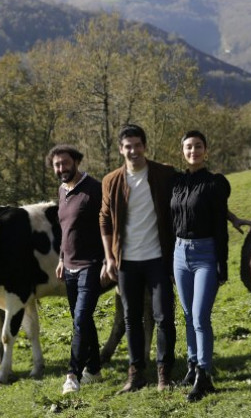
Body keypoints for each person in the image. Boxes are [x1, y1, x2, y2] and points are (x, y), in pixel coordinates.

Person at [99, 124, 177, 394]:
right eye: (127, 146)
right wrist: (109, 258)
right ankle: (136, 375)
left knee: (164, 316)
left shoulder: (164, 174)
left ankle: (164, 375)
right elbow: (105, 221)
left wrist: (229, 216)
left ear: (145, 145)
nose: (133, 151)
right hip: (126, 262)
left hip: (158, 259)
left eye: (137, 145)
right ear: (121, 149)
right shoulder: (112, 180)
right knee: (131, 318)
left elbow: (191, 196)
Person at [170, 130, 230, 401]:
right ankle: (192, 365)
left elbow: (220, 224)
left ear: (206, 150)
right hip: (179, 254)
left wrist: (222, 263)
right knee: (186, 315)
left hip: (206, 253)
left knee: (199, 317)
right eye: (188, 147)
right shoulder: (176, 182)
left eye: (198, 146)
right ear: (182, 151)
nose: (193, 151)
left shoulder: (215, 183)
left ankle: (204, 375)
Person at [46, 144, 105, 395]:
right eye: (57, 165)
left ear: (76, 162)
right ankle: (94, 368)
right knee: (82, 320)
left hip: (91, 264)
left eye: (65, 163)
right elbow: (65, 230)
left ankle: (73, 374)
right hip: (68, 265)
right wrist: (60, 258)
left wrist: (110, 259)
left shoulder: (95, 189)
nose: (61, 168)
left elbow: (109, 224)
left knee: (80, 319)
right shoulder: (62, 191)